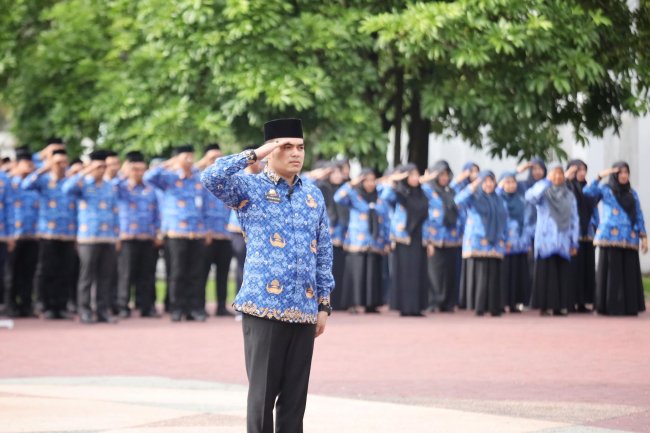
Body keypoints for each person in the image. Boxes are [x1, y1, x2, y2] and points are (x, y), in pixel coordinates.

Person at [201, 118, 334, 433]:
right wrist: (254, 155)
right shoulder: (250, 187)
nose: (295, 153)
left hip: (304, 308)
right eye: (286, 146)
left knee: (294, 399)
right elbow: (210, 176)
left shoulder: (313, 196)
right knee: (262, 396)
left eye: (300, 147)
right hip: (263, 306)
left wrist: (324, 304)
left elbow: (324, 252)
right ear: (270, 150)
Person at [144, 145, 208, 322]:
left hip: (197, 233)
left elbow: (206, 204)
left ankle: (196, 309)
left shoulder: (198, 178)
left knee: (196, 273)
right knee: (177, 273)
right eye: (185, 157)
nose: (189, 160)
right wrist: (171, 163)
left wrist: (207, 229)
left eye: (191, 156)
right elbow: (148, 177)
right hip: (175, 233)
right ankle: (177, 308)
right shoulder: (169, 178)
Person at [62, 150, 120, 324]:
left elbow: (115, 212)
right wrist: (85, 171)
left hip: (107, 237)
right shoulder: (82, 184)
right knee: (86, 276)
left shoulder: (110, 186)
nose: (101, 170)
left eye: (104, 167)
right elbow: (66, 189)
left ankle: (102, 310)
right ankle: (85, 310)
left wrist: (117, 235)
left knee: (105, 276)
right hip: (88, 237)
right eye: (98, 167)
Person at [584, 161, 647, 316]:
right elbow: (587, 192)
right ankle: (608, 307)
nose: (624, 176)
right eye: (620, 173)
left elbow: (638, 214)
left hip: (629, 238)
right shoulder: (606, 190)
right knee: (611, 273)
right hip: (609, 237)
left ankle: (629, 307)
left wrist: (644, 236)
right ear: (614, 175)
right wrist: (599, 176)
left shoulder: (632, 193)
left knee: (629, 274)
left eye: (626, 172)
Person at [22, 148, 77, 319]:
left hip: (68, 233)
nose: (60, 166)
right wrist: (42, 169)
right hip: (48, 233)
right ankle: (45, 305)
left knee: (65, 271)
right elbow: (25, 185)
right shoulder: (43, 180)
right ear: (51, 163)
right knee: (47, 270)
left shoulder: (71, 181)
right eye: (57, 162)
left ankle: (61, 306)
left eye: (63, 162)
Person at [525, 163, 579, 316]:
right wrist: (546, 182)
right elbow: (530, 197)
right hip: (545, 241)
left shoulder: (569, 195)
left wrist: (574, 241)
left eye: (560, 174)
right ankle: (545, 306)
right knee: (545, 274)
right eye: (554, 173)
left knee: (562, 274)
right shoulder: (543, 193)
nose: (558, 177)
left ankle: (560, 306)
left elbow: (575, 219)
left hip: (563, 240)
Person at [334, 169, 390, 313]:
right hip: (357, 240)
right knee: (356, 272)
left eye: (372, 180)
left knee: (373, 273)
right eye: (366, 180)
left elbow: (384, 219)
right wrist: (351, 184)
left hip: (375, 241)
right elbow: (338, 198)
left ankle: (371, 304)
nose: (370, 183)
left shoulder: (379, 197)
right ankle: (353, 304)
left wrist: (386, 240)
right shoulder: (354, 194)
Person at [114, 151, 160, 318]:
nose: (138, 173)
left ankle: (146, 307)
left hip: (147, 237)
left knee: (147, 275)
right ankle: (123, 306)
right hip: (127, 238)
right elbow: (112, 183)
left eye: (141, 169)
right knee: (126, 274)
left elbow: (156, 213)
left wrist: (157, 233)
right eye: (134, 169)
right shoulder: (121, 187)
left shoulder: (150, 189)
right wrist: (123, 172)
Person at [455, 171, 508, 316]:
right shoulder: (474, 197)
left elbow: (505, 219)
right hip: (479, 241)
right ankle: (479, 307)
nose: (489, 184)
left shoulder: (499, 199)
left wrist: (505, 238)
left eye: (491, 181)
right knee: (482, 276)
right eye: (485, 181)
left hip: (496, 241)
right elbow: (458, 201)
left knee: (495, 276)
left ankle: (494, 307)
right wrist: (472, 187)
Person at [381, 164, 429, 317]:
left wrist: (429, 240)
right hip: (403, 237)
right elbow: (384, 198)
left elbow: (428, 215)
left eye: (417, 175)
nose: (415, 178)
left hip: (418, 236)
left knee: (417, 272)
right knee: (404, 272)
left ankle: (417, 307)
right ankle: (404, 307)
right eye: (411, 175)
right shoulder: (399, 193)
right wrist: (393, 180)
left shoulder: (422, 193)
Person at [197, 144, 235, 316]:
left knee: (224, 274)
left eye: (218, 158)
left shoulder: (228, 181)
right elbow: (197, 210)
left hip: (225, 235)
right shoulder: (199, 180)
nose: (215, 162)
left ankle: (221, 306)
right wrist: (205, 230)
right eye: (211, 158)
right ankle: (200, 306)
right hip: (207, 235)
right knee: (202, 273)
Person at [421, 161, 462, 313]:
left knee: (450, 272)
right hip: (434, 236)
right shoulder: (428, 190)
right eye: (441, 174)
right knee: (435, 272)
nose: (444, 178)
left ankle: (449, 302)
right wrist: (427, 239)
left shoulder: (451, 191)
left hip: (451, 237)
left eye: (446, 174)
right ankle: (434, 302)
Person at [5, 148, 39, 318]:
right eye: (26, 163)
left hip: (32, 234)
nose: (30, 167)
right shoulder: (9, 182)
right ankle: (9, 305)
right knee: (11, 273)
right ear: (17, 165)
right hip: (14, 234)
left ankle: (26, 305)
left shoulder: (34, 184)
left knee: (28, 273)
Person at [565, 160, 599, 312]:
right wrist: (566, 178)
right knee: (573, 269)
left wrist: (597, 227)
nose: (581, 173)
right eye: (577, 170)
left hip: (588, 233)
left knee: (587, 267)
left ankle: (583, 302)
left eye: (584, 170)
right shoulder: (567, 187)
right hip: (572, 233)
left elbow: (595, 208)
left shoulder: (589, 188)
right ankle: (570, 301)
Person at [497, 172, 532, 312]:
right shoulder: (499, 199)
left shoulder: (521, 200)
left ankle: (515, 303)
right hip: (505, 243)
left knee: (518, 274)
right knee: (505, 274)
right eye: (507, 182)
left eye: (513, 182)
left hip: (520, 243)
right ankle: (503, 302)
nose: (511, 185)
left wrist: (527, 241)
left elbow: (527, 220)